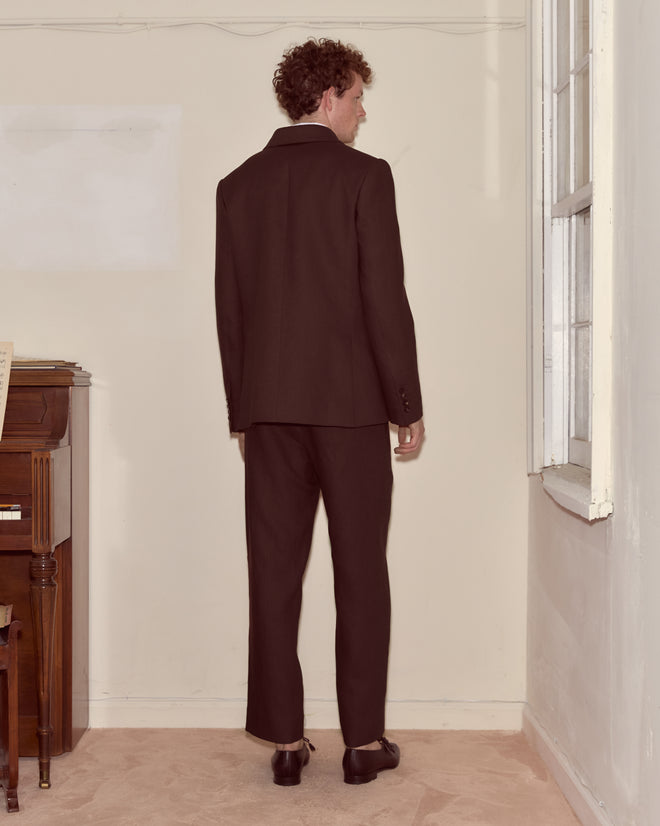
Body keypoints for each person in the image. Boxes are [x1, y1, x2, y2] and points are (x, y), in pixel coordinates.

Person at [215, 37, 424, 786]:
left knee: (273, 574)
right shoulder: (365, 178)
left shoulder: (238, 186)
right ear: (329, 96)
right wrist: (406, 403)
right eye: (360, 98)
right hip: (351, 412)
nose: (364, 113)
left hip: (269, 414)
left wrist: (244, 413)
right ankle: (363, 743)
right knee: (361, 572)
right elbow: (383, 300)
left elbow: (230, 314)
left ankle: (284, 739)